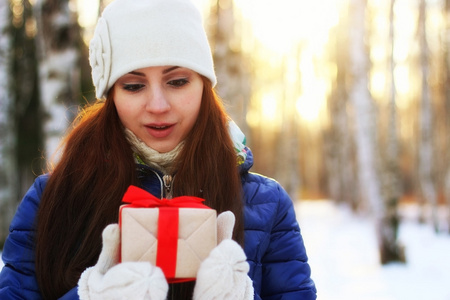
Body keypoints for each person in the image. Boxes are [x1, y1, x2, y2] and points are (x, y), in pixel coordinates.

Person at [0, 0, 317, 299]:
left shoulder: (266, 203)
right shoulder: (52, 197)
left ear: (204, 85)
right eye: (134, 85)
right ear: (111, 94)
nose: (158, 105)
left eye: (177, 81)